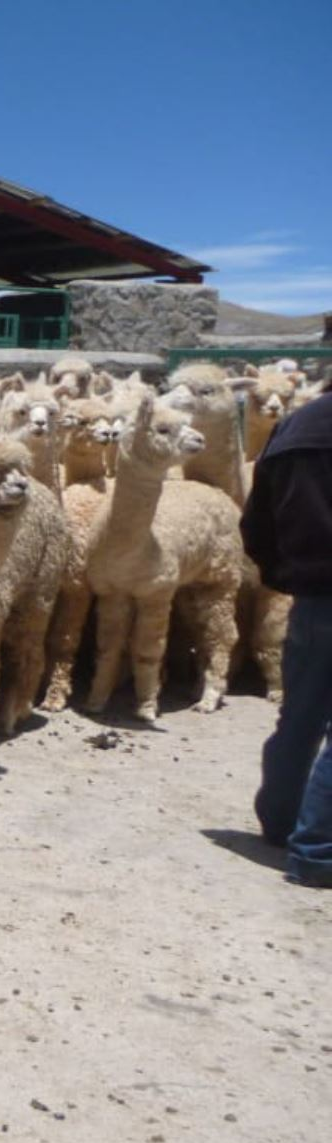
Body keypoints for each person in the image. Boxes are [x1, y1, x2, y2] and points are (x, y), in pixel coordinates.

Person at [242, 376, 332, 886]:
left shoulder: (298, 426)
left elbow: (257, 521)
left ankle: (279, 823)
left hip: (313, 600)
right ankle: (317, 851)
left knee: (298, 717)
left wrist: (283, 576)